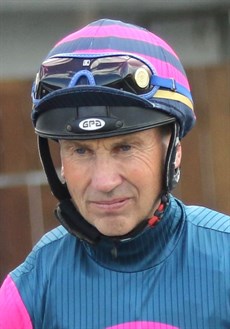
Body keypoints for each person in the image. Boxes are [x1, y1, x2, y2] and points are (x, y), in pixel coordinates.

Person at [0, 18, 229, 329]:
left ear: (174, 150)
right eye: (81, 151)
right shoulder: (29, 292)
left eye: (125, 147)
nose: (105, 182)